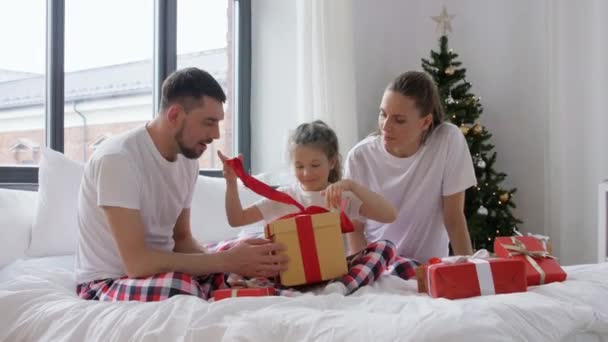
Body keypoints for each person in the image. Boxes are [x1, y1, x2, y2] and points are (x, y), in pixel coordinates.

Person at [75, 67, 287, 302]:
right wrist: (224, 262)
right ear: (175, 115)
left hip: (164, 271)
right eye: (209, 122)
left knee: (252, 250)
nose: (216, 134)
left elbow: (182, 238)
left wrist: (233, 263)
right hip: (109, 280)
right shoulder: (118, 159)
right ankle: (216, 288)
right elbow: (137, 264)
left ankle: (228, 284)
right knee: (181, 289)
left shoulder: (188, 162)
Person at [218, 120, 417, 295]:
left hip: (335, 274)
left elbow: (389, 215)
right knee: (234, 248)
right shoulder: (285, 197)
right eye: (299, 166)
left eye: (314, 165)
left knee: (386, 247)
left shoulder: (341, 196)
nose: (306, 173)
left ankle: (343, 287)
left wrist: (353, 186)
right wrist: (231, 183)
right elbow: (237, 219)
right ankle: (282, 290)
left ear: (331, 162)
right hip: (290, 274)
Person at [344, 71, 476, 264]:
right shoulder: (359, 157)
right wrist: (365, 275)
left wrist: (470, 269)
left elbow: (454, 218)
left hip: (431, 268)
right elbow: (355, 228)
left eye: (399, 120)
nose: (386, 126)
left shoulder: (448, 140)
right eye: (383, 114)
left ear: (425, 122)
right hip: (381, 267)